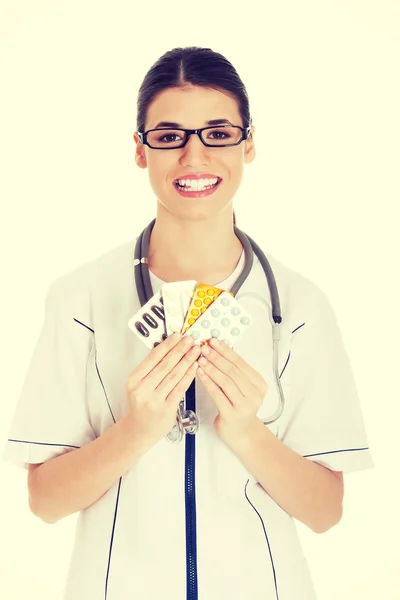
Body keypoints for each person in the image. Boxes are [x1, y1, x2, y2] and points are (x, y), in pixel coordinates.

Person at [2, 46, 373, 600]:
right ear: (140, 150)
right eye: (170, 136)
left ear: (249, 144)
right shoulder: (79, 298)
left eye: (219, 134)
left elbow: (326, 513)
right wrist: (136, 430)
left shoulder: (299, 307)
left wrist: (248, 432)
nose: (195, 156)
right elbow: (45, 502)